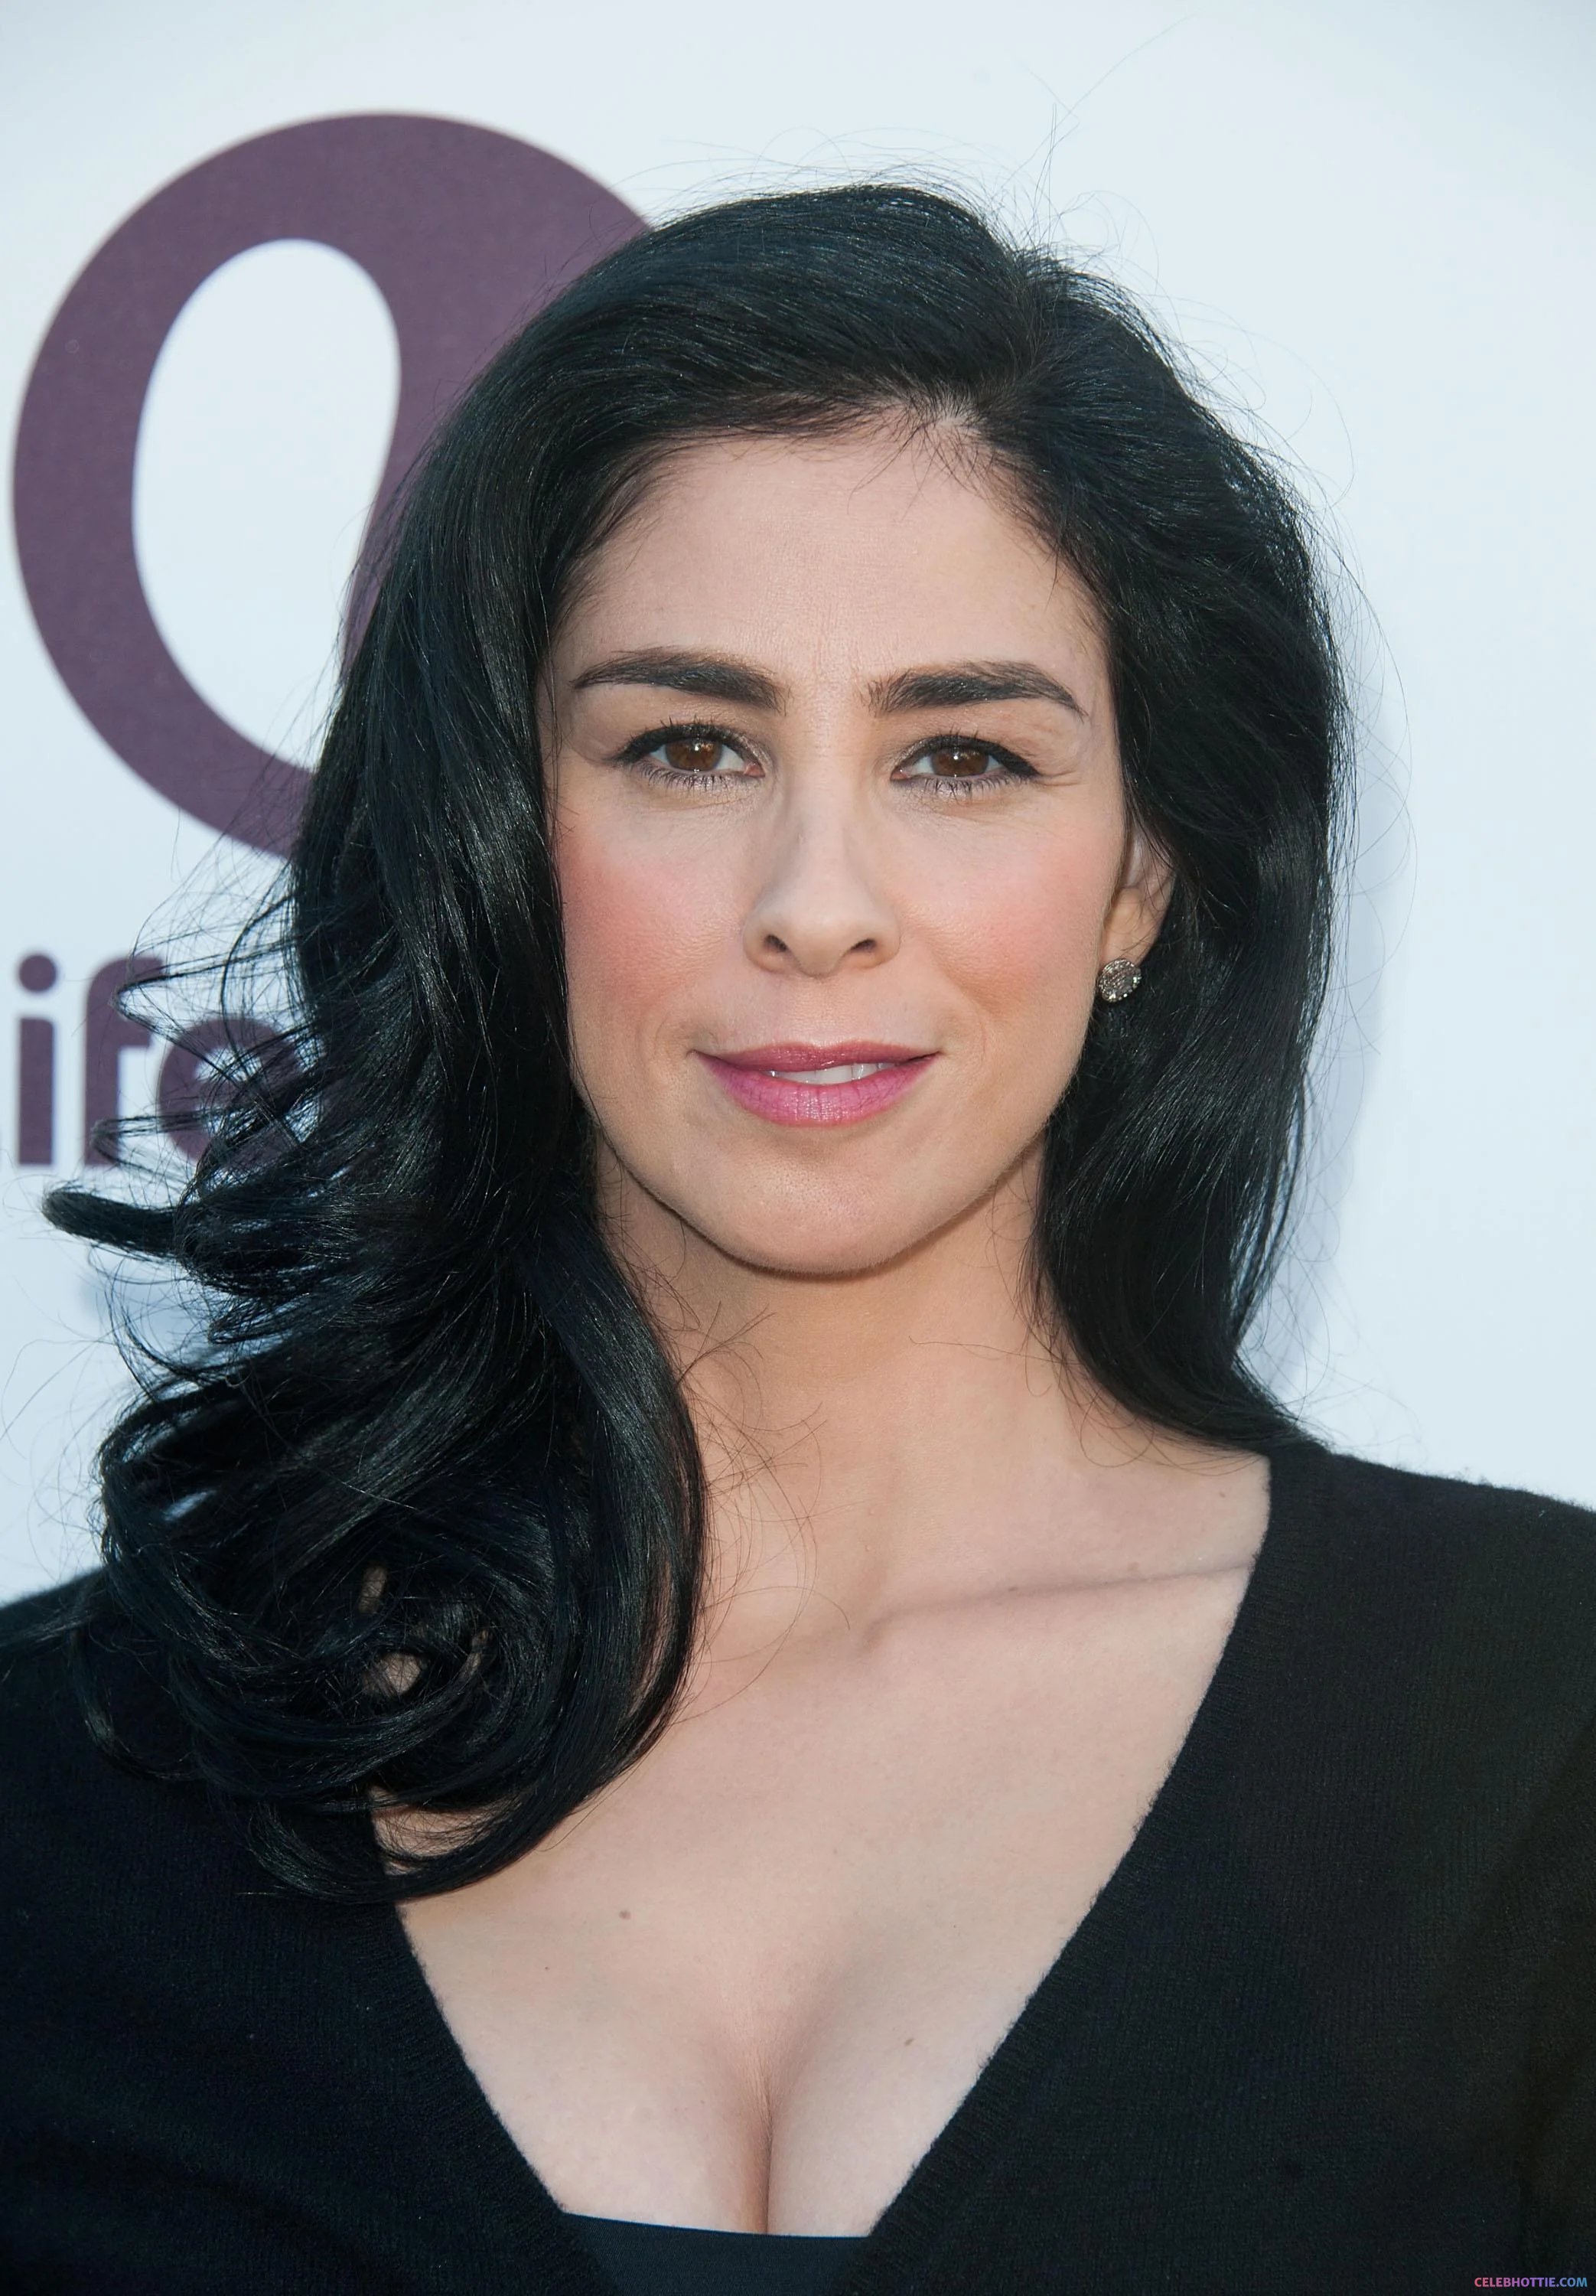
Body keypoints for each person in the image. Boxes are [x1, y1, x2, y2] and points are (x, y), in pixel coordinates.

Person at [1, 184, 1592, 2296]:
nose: (816, 901)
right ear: (506, 842)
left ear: (1144, 876)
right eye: (688, 748)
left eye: (963, 757)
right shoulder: (66, 1784)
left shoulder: (1539, 1738)